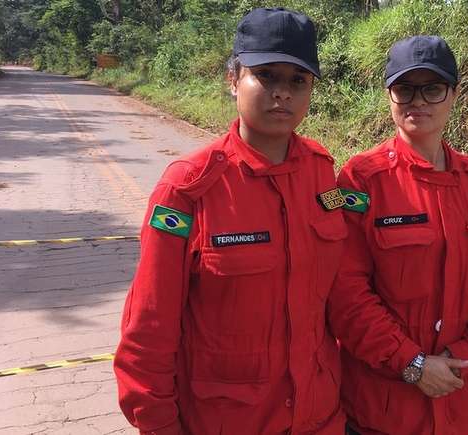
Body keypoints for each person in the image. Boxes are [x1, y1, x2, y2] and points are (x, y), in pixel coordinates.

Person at [114, 8, 347, 435]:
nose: (283, 93)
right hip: (227, 421)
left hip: (318, 417)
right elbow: (148, 331)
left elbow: (338, 299)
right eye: (267, 76)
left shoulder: (320, 172)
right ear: (233, 80)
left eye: (298, 80)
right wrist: (160, 425)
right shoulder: (187, 190)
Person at [328, 35, 468, 435]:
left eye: (432, 88)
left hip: (457, 406)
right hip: (381, 412)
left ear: (453, 94)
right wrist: (411, 364)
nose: (418, 101)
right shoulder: (361, 180)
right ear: (389, 95)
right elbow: (346, 294)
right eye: (405, 89)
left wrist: (460, 358)